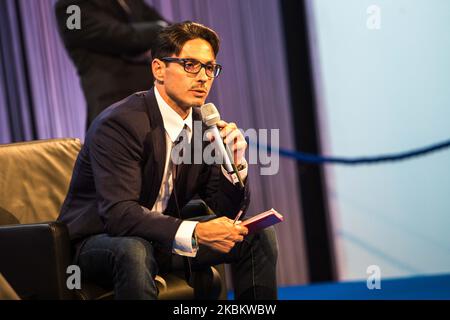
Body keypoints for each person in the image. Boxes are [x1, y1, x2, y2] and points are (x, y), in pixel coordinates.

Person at [57, 21, 278, 300]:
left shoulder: (202, 126)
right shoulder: (120, 123)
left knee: (256, 235)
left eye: (210, 68)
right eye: (190, 65)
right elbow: (118, 214)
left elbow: (223, 210)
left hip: (159, 237)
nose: (203, 77)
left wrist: (232, 165)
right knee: (134, 249)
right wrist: (196, 230)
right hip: (98, 242)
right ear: (159, 69)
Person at [55, 0, 168, 129]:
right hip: (115, 103)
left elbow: (169, 31)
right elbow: (116, 35)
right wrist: (159, 29)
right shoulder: (70, 6)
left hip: (154, 98)